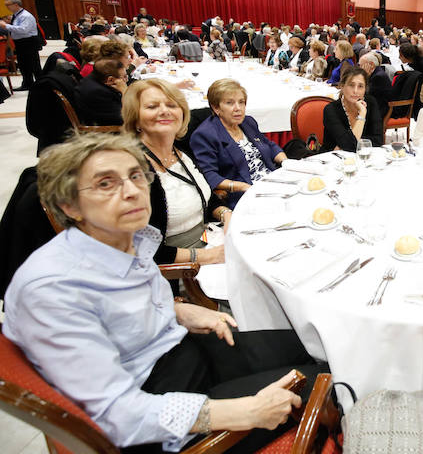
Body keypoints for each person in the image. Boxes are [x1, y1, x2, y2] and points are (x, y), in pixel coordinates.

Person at [2, 133, 326, 453]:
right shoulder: (53, 291)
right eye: (105, 183)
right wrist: (247, 411)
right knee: (330, 383)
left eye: (135, 176)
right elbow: (120, 415)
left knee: (319, 347)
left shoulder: (125, 238)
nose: (132, 192)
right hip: (154, 405)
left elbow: (117, 306)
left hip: (177, 348)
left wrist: (175, 309)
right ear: (69, 205)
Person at [122, 79, 229, 266]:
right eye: (152, 106)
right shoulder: (133, 170)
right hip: (177, 270)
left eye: (172, 105)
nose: (165, 111)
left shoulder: (180, 151)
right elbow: (140, 248)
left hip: (210, 240)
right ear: (135, 118)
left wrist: (226, 214)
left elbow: (204, 196)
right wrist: (206, 257)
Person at [190, 79, 286, 208]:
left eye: (241, 102)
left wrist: (286, 162)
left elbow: (269, 145)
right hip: (245, 193)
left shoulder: (248, 122)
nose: (238, 108)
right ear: (216, 107)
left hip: (271, 181)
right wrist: (240, 186)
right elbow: (209, 174)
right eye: (230, 103)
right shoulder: (205, 135)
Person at [322, 67, 384, 152]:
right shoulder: (331, 110)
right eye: (351, 85)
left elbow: (378, 140)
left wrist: (345, 144)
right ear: (342, 86)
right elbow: (349, 146)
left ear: (365, 89)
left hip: (363, 157)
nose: (355, 91)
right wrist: (362, 114)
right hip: (333, 159)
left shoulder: (371, 103)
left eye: (360, 86)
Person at [0, 0, 42, 91]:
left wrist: (5, 26)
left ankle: (40, 84)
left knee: (34, 64)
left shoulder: (25, 16)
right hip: (21, 42)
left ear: (16, 5)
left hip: (28, 41)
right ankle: (27, 83)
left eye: (8, 5)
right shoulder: (17, 15)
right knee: (23, 65)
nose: (7, 7)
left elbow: (24, 29)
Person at [76, 58, 127, 125]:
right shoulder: (98, 93)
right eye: (124, 77)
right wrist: (125, 92)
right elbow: (125, 118)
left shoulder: (95, 77)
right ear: (111, 80)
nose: (126, 80)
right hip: (109, 131)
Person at [358, 52, 391, 119]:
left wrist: (365, 76)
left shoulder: (378, 76)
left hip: (378, 109)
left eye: (362, 65)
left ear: (371, 64)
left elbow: (366, 94)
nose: (360, 68)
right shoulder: (376, 72)